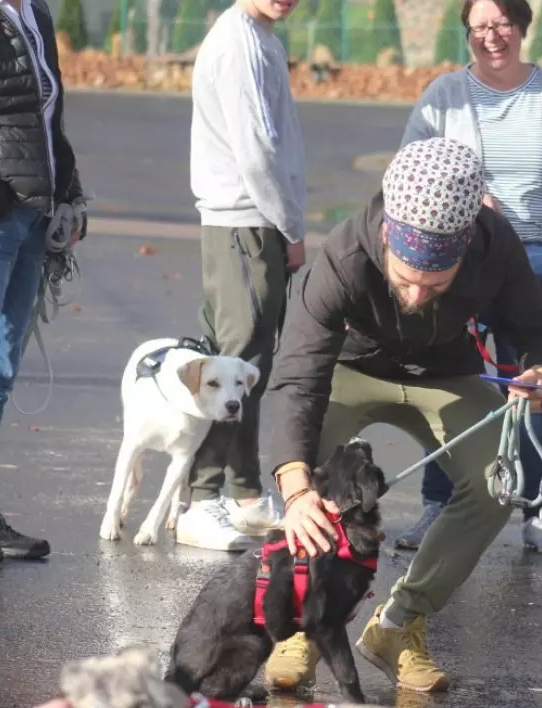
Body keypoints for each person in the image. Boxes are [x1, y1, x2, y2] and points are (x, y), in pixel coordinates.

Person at [262, 136, 542, 693]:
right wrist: (294, 485)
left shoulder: (494, 242)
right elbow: (298, 375)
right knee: (308, 474)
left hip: (446, 374)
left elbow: (536, 326)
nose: (419, 293)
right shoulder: (342, 256)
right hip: (350, 370)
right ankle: (299, 625)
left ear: (466, 247)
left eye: (436, 284)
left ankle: (400, 622)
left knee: (498, 485)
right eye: (405, 278)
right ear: (386, 238)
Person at [393, 0, 542, 556]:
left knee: (533, 385)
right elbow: (411, 167)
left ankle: (539, 510)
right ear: (467, 32)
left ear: (522, 27)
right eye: (480, 26)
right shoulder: (442, 97)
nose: (492, 35)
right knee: (448, 381)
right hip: (461, 261)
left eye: (503, 23)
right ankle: (438, 504)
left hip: (538, 263)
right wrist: (470, 204)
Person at [181, 0, 308, 550]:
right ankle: (203, 499)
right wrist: (290, 224)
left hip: (255, 220)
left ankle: (244, 496)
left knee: (249, 358)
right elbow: (255, 152)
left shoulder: (263, 38)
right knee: (235, 364)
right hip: (245, 220)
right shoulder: (238, 43)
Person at [0, 0, 89, 562]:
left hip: (35, 213)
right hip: (3, 212)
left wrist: (71, 193)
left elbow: (48, 116)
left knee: (1, 369)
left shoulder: (34, 11)